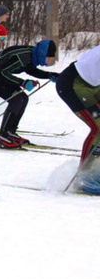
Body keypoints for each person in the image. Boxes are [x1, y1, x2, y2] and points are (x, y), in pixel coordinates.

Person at [0, 39, 58, 148]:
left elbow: (30, 70)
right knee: (17, 99)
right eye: (48, 58)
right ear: (43, 53)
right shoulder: (23, 57)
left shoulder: (31, 55)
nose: (48, 61)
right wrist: (22, 82)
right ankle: (3, 136)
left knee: (23, 98)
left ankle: (10, 132)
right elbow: (2, 72)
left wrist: (49, 75)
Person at [55, 44, 100, 193]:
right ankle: (84, 176)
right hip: (74, 84)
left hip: (92, 84)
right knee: (98, 127)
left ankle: (95, 171)